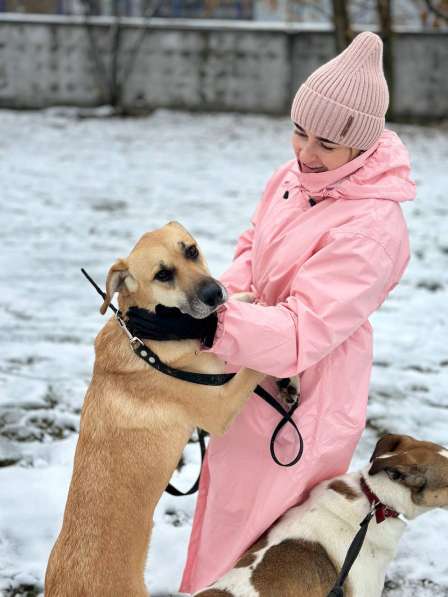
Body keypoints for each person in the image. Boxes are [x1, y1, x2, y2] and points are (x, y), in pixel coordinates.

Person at [174, 31, 416, 592]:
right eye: (299, 132)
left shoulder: (372, 227)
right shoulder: (292, 180)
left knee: (266, 545)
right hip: (249, 370)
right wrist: (218, 298)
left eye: (327, 143)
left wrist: (213, 322)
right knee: (227, 519)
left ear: (363, 145)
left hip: (305, 395)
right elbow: (250, 249)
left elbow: (306, 332)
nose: (306, 153)